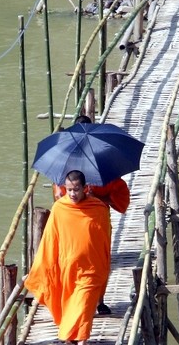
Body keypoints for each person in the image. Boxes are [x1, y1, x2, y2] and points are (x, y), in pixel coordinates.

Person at [25, 170, 111, 345]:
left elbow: (105, 239)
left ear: (85, 188)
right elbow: (49, 240)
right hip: (67, 268)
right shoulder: (59, 209)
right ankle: (70, 334)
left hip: (90, 270)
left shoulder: (97, 208)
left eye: (76, 189)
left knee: (84, 305)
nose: (72, 194)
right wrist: (45, 266)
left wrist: (103, 264)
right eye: (69, 190)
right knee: (69, 304)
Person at [52, 115, 130, 316]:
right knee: (72, 261)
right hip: (75, 221)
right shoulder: (71, 163)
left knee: (99, 261)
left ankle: (99, 301)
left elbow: (119, 197)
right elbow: (60, 194)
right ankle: (73, 300)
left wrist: (98, 200)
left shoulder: (96, 164)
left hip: (97, 221)